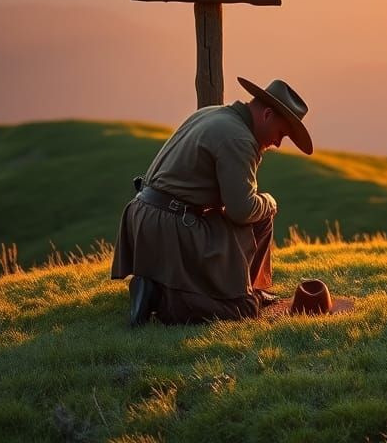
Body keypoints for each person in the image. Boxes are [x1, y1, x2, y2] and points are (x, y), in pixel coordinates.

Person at [112, 77, 313, 325]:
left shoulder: (212, 114)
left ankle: (242, 288)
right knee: (244, 310)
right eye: (281, 133)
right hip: (171, 224)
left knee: (258, 215)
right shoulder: (239, 139)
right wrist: (270, 201)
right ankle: (162, 299)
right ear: (267, 115)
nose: (278, 143)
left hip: (145, 216)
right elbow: (241, 209)